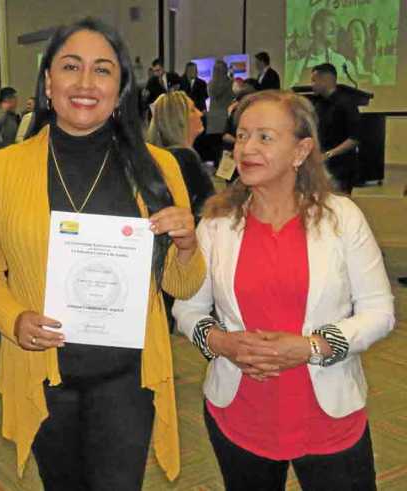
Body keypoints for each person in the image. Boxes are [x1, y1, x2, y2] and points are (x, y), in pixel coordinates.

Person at [0, 17, 206, 490]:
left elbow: (182, 285)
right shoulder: (2, 169)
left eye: (102, 70)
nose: (84, 83)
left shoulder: (157, 168)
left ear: (120, 88)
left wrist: (187, 245)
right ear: (48, 81)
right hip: (44, 373)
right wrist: (13, 319)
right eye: (70, 66)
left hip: (127, 378)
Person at [173, 90, 394, 491]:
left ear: (301, 150)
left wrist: (312, 347)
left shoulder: (342, 218)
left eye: (265, 137)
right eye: (241, 136)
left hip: (328, 416)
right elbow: (187, 309)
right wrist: (221, 343)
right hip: (239, 413)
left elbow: (380, 312)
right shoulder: (217, 223)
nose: (247, 148)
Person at [146, 91, 214, 220]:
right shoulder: (185, 158)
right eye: (193, 110)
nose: (200, 114)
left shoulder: (159, 157)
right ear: (178, 119)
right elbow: (204, 208)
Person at [311, 62, 361, 194]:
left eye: (314, 80)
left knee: (340, 207)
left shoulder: (347, 103)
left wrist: (329, 154)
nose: (312, 85)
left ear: (327, 80)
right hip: (321, 165)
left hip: (341, 167)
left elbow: (354, 138)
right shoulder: (318, 104)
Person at [290, 8, 356, 87]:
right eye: (331, 24)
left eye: (336, 26)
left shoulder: (339, 61)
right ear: (318, 26)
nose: (334, 30)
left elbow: (352, 89)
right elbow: (292, 94)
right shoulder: (301, 64)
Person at [205, 59, 234, 166]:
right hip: (219, 119)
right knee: (220, 147)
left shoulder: (211, 83)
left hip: (218, 119)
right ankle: (220, 168)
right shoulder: (225, 83)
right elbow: (217, 93)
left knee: (221, 147)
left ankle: (221, 168)